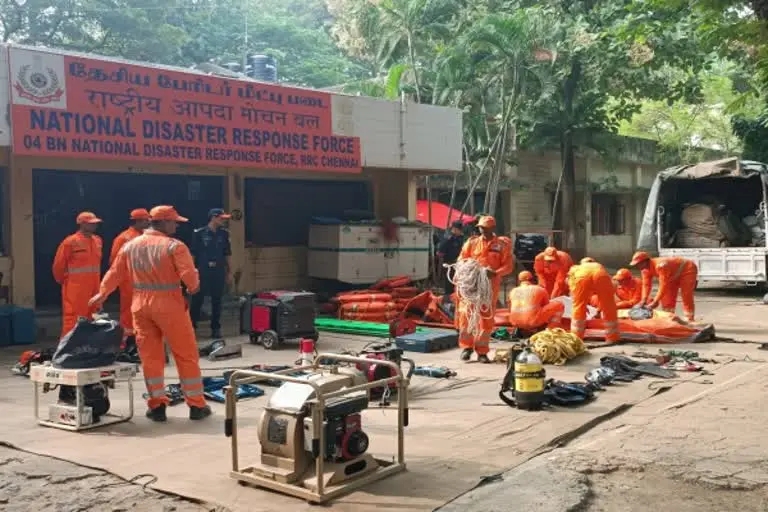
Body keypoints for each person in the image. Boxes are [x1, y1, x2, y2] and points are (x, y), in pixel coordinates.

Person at [89, 205, 211, 423]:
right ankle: (196, 405)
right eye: (174, 222)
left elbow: (115, 272)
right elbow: (189, 278)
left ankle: (157, 407)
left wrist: (102, 294)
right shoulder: (175, 246)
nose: (176, 225)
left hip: (140, 305)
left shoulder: (130, 245)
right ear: (163, 222)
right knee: (185, 354)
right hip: (169, 304)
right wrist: (194, 286)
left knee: (150, 358)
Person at [455, 215, 513, 363]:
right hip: (471, 287)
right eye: (481, 228)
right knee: (466, 316)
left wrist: (495, 273)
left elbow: (508, 266)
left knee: (486, 320)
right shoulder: (472, 243)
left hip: (489, 288)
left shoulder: (502, 245)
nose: (484, 231)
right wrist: (470, 270)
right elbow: (461, 260)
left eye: (487, 229)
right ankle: (466, 347)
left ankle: (482, 351)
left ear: (493, 228)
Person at [52, 211, 103, 339]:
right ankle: (68, 349)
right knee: (73, 318)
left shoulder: (98, 241)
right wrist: (66, 282)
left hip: (94, 288)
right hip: (75, 289)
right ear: (82, 224)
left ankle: (88, 347)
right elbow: (59, 265)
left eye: (95, 224)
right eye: (91, 224)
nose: (94, 226)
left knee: (93, 317)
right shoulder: (70, 242)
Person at [109, 208, 151, 346]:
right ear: (138, 221)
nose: (149, 222)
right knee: (128, 312)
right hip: (128, 281)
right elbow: (114, 263)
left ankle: (139, 341)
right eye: (146, 220)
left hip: (143, 280)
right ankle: (126, 344)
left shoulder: (145, 236)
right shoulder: (123, 238)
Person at [189, 208, 232, 338]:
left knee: (217, 300)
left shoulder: (224, 234)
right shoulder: (199, 233)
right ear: (213, 217)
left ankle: (215, 328)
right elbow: (193, 254)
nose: (223, 221)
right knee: (198, 299)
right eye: (221, 218)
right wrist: (192, 272)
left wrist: (229, 272)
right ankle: (192, 326)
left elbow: (227, 254)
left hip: (218, 269)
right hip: (203, 270)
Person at [629, 251, 698, 322]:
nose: (637, 266)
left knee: (686, 294)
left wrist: (655, 301)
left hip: (687, 269)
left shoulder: (661, 265)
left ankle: (689, 318)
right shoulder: (644, 270)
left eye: (638, 264)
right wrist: (643, 300)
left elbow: (663, 285)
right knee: (667, 299)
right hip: (672, 275)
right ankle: (669, 317)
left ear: (645, 261)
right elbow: (646, 285)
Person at [567, 260, 619, 343]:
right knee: (609, 305)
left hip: (581, 277)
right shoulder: (597, 267)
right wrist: (599, 309)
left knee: (578, 307)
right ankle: (612, 338)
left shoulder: (576, 270)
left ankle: (576, 337)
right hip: (600, 274)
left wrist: (583, 305)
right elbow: (608, 297)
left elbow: (576, 297)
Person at [437, 220, 465, 295]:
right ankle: (448, 300)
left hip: (459, 264)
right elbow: (440, 252)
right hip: (449, 264)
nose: (461, 232)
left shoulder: (461, 238)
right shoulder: (448, 239)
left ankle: (454, 298)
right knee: (449, 283)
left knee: (458, 283)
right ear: (455, 229)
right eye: (459, 230)